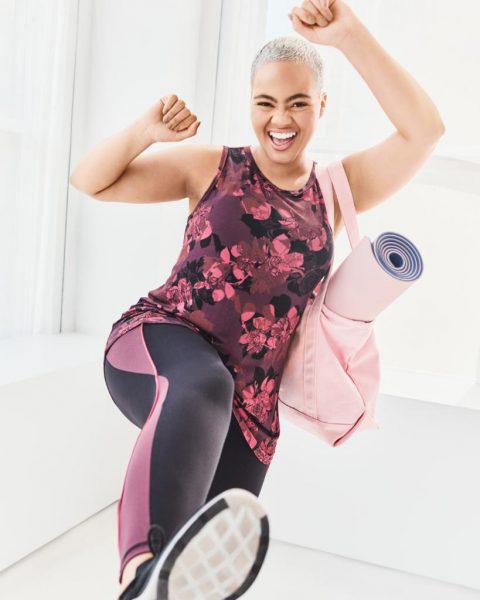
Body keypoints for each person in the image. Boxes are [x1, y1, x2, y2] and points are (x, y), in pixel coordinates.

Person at [69, 1, 444, 598]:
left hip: (250, 411)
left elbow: (424, 131)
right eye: (265, 103)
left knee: (208, 571)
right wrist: (145, 132)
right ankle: (141, 571)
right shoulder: (211, 167)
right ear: (249, 104)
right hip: (159, 343)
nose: (280, 119)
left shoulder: (336, 191)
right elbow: (90, 180)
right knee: (202, 387)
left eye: (298, 103)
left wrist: (348, 35)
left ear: (322, 106)